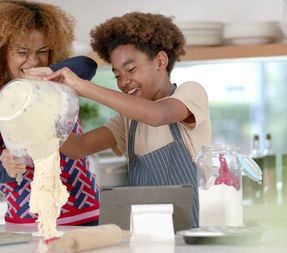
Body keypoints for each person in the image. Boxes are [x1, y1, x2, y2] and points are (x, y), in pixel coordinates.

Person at [37, 12, 212, 228]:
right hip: (146, 235)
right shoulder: (129, 120)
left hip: (191, 236)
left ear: (160, 61)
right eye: (117, 75)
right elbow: (78, 147)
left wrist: (82, 86)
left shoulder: (190, 93)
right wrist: (39, 112)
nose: (124, 82)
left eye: (130, 69)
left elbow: (158, 115)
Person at [0, 0, 100, 226]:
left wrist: (48, 73)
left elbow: (87, 65)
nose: (33, 60)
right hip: (27, 225)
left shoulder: (59, 83)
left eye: (42, 51)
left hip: (87, 218)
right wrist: (4, 168)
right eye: (22, 52)